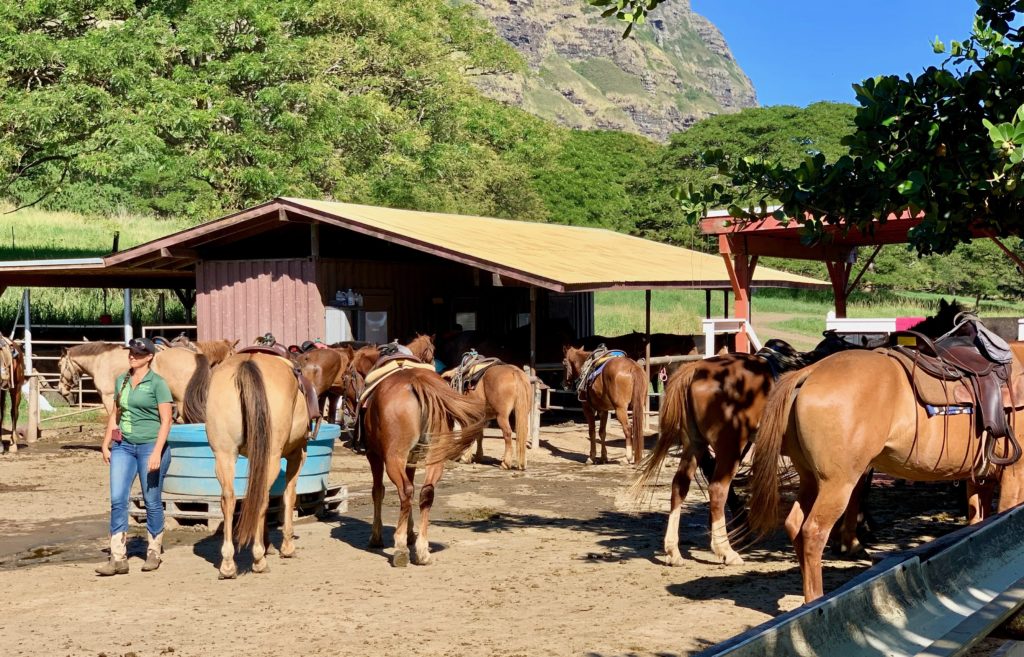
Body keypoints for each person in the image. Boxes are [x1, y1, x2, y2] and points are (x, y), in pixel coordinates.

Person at [96, 337, 174, 576]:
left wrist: (157, 451)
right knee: (118, 499)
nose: (132, 356)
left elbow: (166, 420)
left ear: (149, 357)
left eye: (138, 354)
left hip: (150, 445)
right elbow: (116, 413)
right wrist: (106, 442)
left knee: (151, 500)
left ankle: (153, 551)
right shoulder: (123, 380)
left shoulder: (158, 384)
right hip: (124, 446)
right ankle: (118, 556)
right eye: (131, 353)